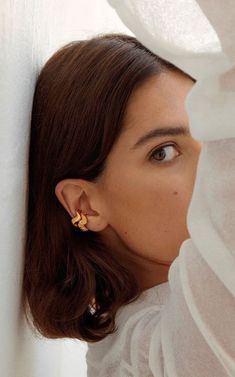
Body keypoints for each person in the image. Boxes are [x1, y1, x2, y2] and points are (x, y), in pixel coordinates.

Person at [23, 32, 235, 376]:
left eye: (208, 140)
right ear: (85, 204)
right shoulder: (147, 354)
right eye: (164, 152)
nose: (211, 169)